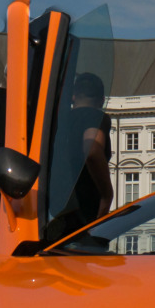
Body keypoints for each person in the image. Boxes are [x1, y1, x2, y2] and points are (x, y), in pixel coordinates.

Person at [47, 72, 115, 241]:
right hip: (84, 213)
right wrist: (107, 195)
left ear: (73, 97)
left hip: (55, 212)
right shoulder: (95, 117)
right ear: (101, 100)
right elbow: (92, 150)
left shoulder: (57, 123)